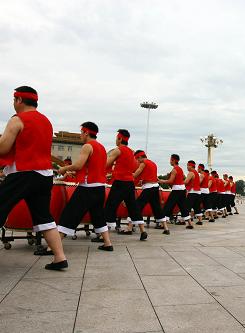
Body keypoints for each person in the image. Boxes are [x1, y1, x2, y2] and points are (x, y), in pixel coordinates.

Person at [0, 86, 67, 270]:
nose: (13, 104)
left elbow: (4, 148)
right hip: (44, 175)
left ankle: (60, 257)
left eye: (14, 100)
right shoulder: (46, 121)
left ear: (19, 100)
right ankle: (59, 258)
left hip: (23, 173)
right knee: (44, 218)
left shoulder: (17, 120)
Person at [57, 122, 113, 251]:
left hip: (88, 188)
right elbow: (92, 167)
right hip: (100, 188)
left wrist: (64, 168)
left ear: (86, 132)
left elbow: (79, 165)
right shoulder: (102, 147)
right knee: (98, 215)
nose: (80, 135)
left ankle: (51, 247)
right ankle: (107, 243)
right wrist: (75, 172)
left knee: (69, 214)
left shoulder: (87, 146)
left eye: (81, 133)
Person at [104, 129, 147, 241]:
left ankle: (103, 236)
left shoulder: (118, 150)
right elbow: (130, 167)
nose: (116, 140)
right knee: (133, 207)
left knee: (110, 206)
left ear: (120, 138)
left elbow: (106, 164)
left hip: (120, 183)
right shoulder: (132, 152)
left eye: (116, 138)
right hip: (130, 183)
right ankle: (143, 231)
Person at [128, 150, 169, 233]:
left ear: (140, 157)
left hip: (148, 188)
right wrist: (143, 180)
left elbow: (136, 174)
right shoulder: (153, 163)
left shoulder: (143, 163)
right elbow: (151, 176)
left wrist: (126, 173)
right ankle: (166, 228)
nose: (137, 161)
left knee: (137, 206)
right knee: (157, 208)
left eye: (137, 159)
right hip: (155, 188)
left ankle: (129, 228)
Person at [159, 154, 193, 230]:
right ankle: (190, 224)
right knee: (183, 206)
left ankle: (162, 224)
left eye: (170, 160)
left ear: (173, 160)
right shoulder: (180, 169)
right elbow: (183, 179)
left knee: (168, 206)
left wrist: (161, 180)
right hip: (182, 189)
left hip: (176, 190)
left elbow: (171, 181)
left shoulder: (174, 170)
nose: (170, 161)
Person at [185, 160, 203, 225]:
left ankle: (186, 221)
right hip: (198, 192)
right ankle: (200, 221)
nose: (187, 167)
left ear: (190, 166)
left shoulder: (191, 173)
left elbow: (186, 182)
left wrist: (179, 182)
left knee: (187, 207)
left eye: (187, 165)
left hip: (192, 192)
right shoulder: (197, 173)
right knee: (197, 207)